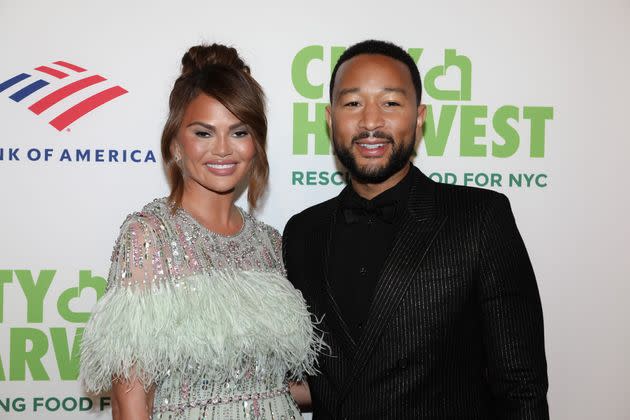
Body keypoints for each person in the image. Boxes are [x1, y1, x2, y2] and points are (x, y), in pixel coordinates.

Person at [282, 40, 549, 419]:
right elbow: (307, 377)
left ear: (419, 116)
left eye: (390, 103)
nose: (371, 122)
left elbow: (521, 385)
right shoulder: (302, 233)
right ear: (330, 118)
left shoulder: (479, 218)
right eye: (353, 103)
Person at [81, 44, 321, 420]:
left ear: (255, 144)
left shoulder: (271, 244)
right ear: (176, 144)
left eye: (239, 132)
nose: (223, 149)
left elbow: (269, 382)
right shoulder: (149, 237)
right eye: (204, 133)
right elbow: (132, 400)